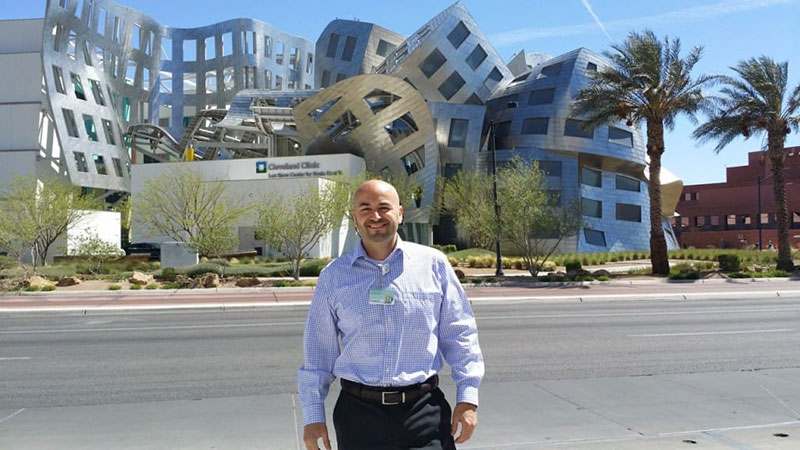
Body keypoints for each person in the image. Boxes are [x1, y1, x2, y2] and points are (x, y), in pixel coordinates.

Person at [298, 180, 484, 450]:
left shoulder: (434, 265)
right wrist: (313, 416)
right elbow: (317, 353)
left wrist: (468, 398)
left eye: (384, 207)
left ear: (399, 213)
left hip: (424, 411)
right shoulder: (333, 277)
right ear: (354, 219)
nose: (375, 216)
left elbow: (460, 333)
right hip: (358, 417)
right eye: (366, 208)